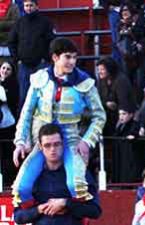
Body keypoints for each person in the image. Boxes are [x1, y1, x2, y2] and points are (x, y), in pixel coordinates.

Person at [12, 38, 106, 208]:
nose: (72, 62)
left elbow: (100, 116)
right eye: (68, 57)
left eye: (74, 58)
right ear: (55, 58)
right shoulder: (40, 79)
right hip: (43, 142)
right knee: (21, 189)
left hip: (70, 140)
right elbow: (26, 113)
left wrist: (87, 141)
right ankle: (41, 217)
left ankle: (71, 219)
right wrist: (20, 141)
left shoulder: (84, 82)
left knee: (76, 186)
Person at [8, 0, 55, 108]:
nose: (28, 8)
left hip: (41, 65)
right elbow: (11, 42)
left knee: (44, 96)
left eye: (31, 5)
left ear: (36, 6)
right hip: (24, 66)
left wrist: (46, 59)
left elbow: (52, 41)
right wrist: (17, 60)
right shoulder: (19, 22)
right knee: (24, 97)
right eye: (26, 5)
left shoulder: (45, 22)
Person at [96, 56, 138, 138]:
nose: (99, 72)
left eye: (102, 69)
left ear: (110, 69)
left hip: (121, 116)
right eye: (98, 69)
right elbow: (97, 98)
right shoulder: (101, 80)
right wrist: (106, 104)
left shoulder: (121, 80)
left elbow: (125, 103)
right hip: (106, 114)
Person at [117, 2, 145, 95]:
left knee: (141, 82)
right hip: (127, 57)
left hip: (141, 56)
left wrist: (132, 30)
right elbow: (118, 41)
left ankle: (140, 104)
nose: (124, 12)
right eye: (123, 10)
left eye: (126, 10)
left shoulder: (139, 20)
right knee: (127, 81)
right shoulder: (120, 24)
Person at [111, 106, 142, 183]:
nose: (121, 116)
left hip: (130, 158)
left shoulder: (135, 125)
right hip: (121, 156)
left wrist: (134, 136)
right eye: (120, 114)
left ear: (131, 115)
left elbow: (136, 136)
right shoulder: (119, 126)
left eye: (124, 114)